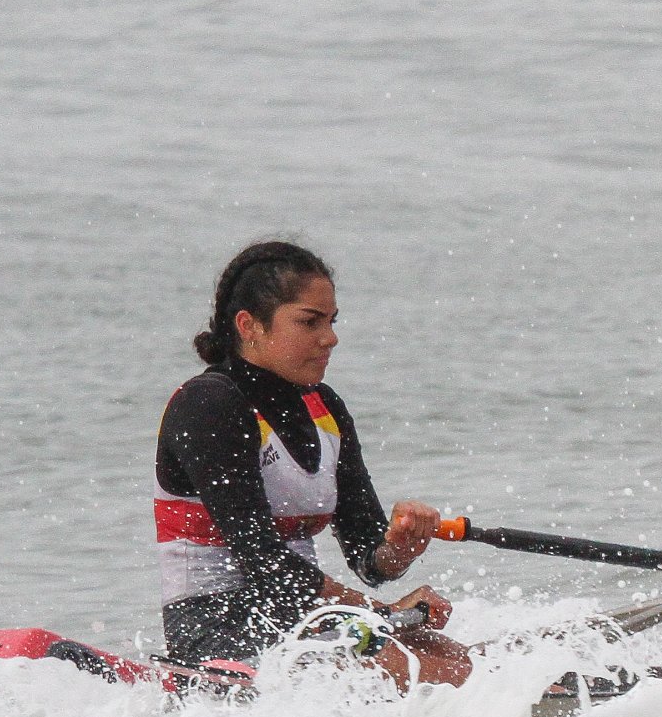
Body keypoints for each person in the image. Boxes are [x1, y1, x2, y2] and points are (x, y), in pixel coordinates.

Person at [155, 240, 472, 689]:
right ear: (249, 325)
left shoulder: (325, 408)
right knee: (425, 675)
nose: (330, 337)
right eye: (310, 321)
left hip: (302, 618)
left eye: (331, 321)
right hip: (214, 628)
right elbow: (262, 559)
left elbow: (370, 562)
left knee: (452, 658)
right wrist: (379, 613)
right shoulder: (208, 405)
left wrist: (399, 545)